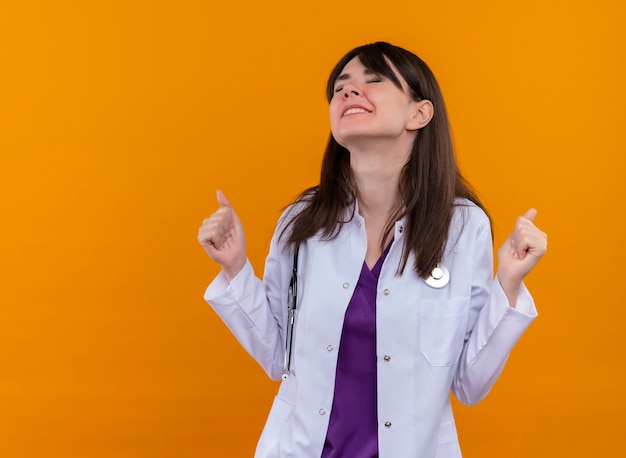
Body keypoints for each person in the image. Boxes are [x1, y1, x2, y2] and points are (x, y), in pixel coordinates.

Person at [197, 42, 547, 458]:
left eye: (373, 81)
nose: (348, 92)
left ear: (420, 113)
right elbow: (277, 357)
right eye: (340, 88)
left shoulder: (461, 227)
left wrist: (507, 284)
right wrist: (236, 268)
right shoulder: (302, 221)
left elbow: (469, 384)